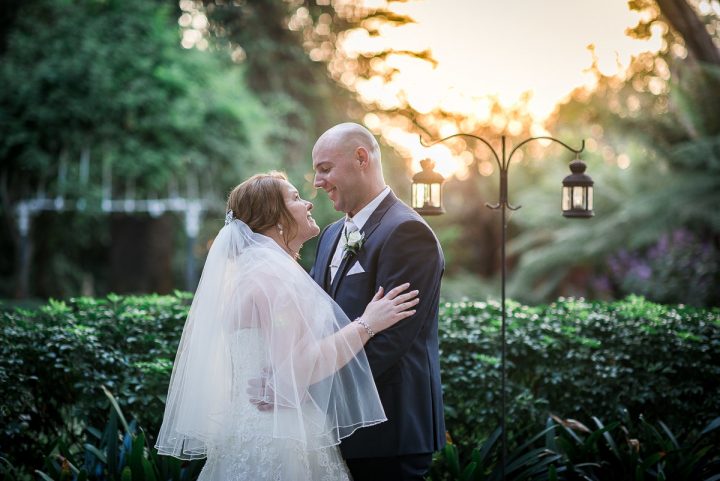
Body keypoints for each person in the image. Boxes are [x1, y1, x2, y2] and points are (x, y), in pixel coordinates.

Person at [154, 172, 419, 481]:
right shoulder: (273, 276)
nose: (308, 203)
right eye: (295, 198)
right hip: (279, 434)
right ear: (274, 217)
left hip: (249, 426)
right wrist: (367, 324)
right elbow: (299, 365)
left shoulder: (250, 272)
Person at [310, 123, 446, 481]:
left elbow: (391, 342)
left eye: (325, 168)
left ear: (360, 159)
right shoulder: (330, 235)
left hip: (389, 432)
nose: (316, 182)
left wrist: (310, 385)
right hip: (337, 427)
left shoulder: (407, 232)